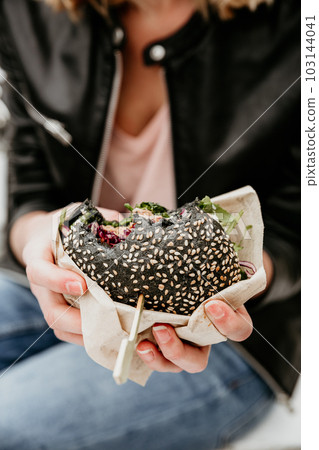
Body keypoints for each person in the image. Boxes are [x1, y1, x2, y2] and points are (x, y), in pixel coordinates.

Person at [0, 0, 300, 448]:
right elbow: (31, 190)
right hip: (61, 285)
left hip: (236, 335)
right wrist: (39, 237)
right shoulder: (25, 11)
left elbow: (299, 227)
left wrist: (234, 283)